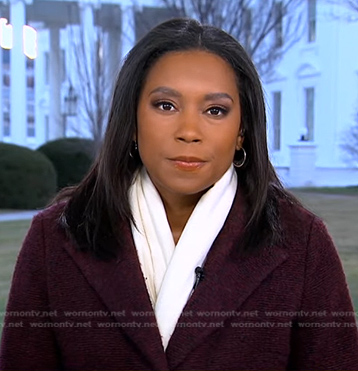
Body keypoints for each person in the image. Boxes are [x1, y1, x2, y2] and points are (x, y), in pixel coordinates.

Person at [0, 18, 357, 371]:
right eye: (166, 106)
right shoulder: (57, 237)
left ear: (242, 132)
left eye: (215, 110)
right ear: (132, 121)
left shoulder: (302, 244)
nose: (189, 131)